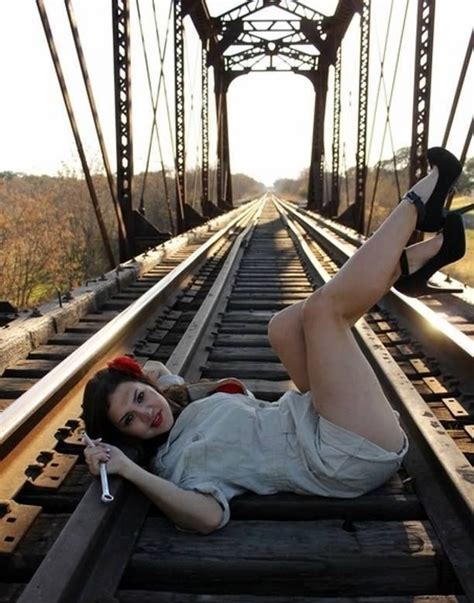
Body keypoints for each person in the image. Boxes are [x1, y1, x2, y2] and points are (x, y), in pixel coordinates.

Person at [83, 147, 466, 535]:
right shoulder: (179, 462)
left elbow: (153, 371)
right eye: (129, 420)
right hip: (344, 454)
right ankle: (418, 204)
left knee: (283, 326)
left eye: (139, 397)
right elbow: (207, 517)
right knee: (322, 312)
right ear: (125, 437)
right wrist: (127, 467)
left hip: (318, 422)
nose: (147, 413)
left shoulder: (182, 406)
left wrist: (149, 385)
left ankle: (413, 264)